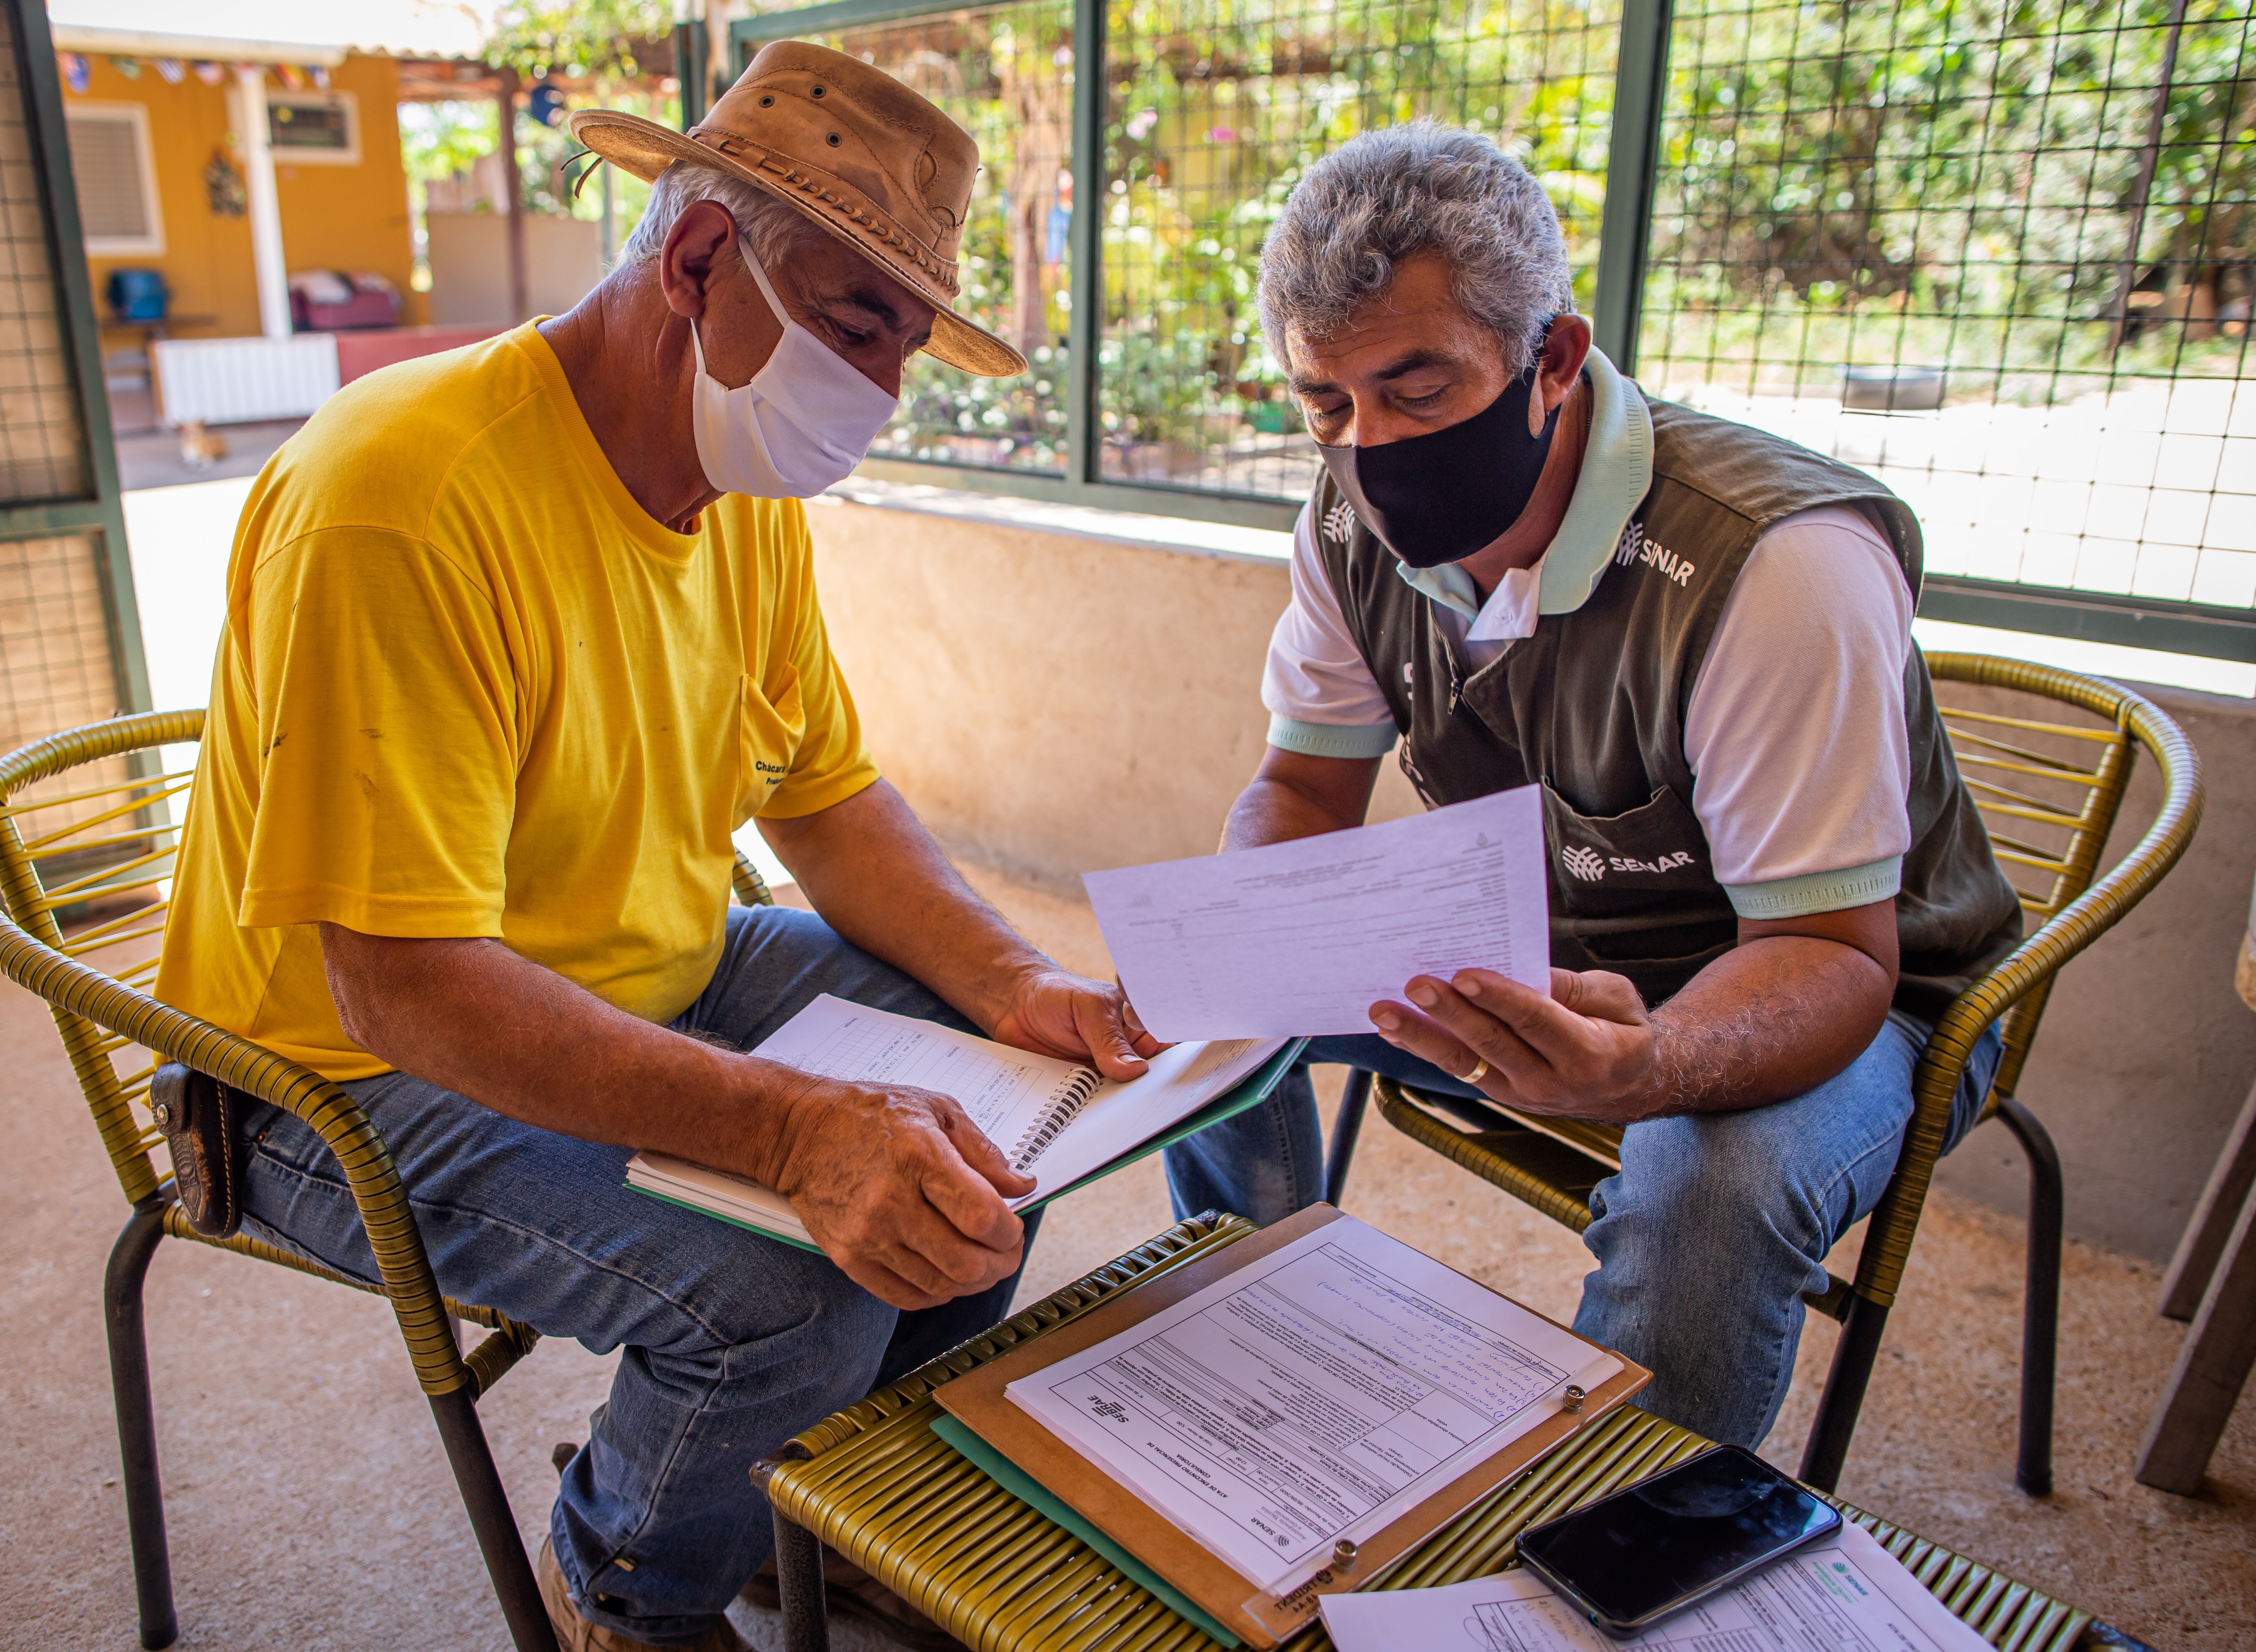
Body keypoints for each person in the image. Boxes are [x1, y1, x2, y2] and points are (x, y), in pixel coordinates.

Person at [154, 43, 1158, 1652]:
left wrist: (1016, 978)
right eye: (853, 329)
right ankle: (635, 1571)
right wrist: (790, 1134)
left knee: (998, 1107)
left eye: (901, 352)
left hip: (644, 964)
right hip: (321, 1075)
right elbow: (402, 989)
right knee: (791, 1293)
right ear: (698, 259)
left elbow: (825, 797)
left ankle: (792, 1500)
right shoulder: (402, 499)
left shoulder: (731, 472)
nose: (878, 399)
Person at [1164, 122, 2022, 1449]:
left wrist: (1648, 1063)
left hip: (1862, 993)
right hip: (1548, 954)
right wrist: (1246, 938)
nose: (1367, 447)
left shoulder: (1771, 567)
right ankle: (1256, 1362)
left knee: (1702, 1183)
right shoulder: (1343, 524)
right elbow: (1299, 789)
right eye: (1325, 404)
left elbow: (1828, 956)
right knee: (1198, 1000)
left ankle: (1616, 1552)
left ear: (1551, 361)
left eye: (1418, 387)